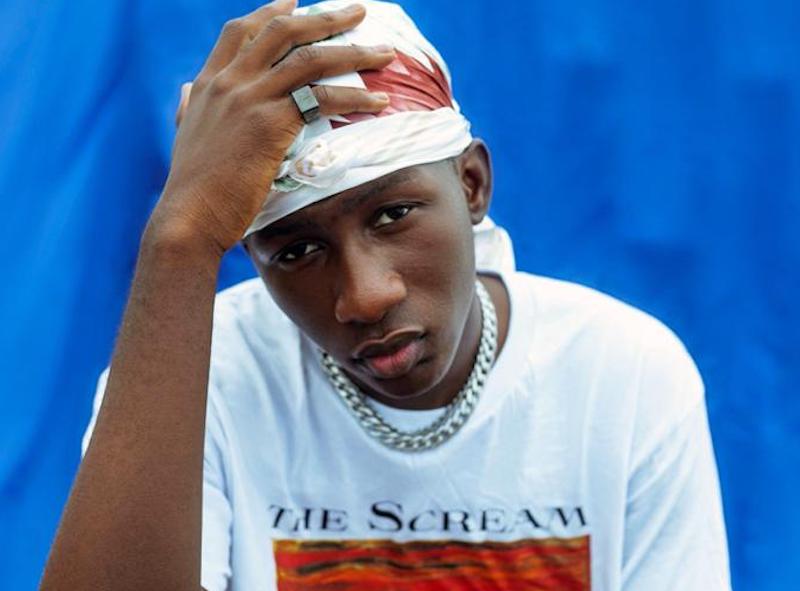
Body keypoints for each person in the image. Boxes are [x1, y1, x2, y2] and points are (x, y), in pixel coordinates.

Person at [40, 0, 731, 589]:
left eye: (393, 214)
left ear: (471, 185)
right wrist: (180, 242)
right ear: (252, 259)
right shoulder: (206, 375)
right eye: (296, 251)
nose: (365, 298)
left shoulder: (622, 375)